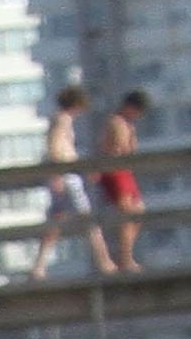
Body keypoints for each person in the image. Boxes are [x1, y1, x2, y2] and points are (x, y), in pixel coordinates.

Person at [34, 85, 95, 277]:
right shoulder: (62, 119)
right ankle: (105, 262)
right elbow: (54, 146)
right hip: (65, 175)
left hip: (63, 174)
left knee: (55, 223)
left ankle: (39, 266)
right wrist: (57, 174)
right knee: (87, 219)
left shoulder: (59, 119)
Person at [96, 89, 150, 273]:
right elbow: (115, 149)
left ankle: (124, 256)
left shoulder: (128, 125)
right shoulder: (116, 122)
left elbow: (131, 151)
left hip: (125, 172)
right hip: (115, 172)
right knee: (127, 216)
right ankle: (125, 260)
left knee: (138, 212)